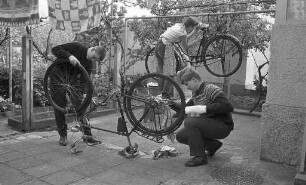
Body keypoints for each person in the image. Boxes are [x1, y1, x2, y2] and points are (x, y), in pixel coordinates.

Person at [175, 66, 234, 167]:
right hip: (210, 124)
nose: (187, 88)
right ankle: (213, 146)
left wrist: (203, 108)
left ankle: (200, 157)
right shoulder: (196, 93)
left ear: (194, 79)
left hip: (223, 126)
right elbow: (184, 108)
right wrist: (169, 103)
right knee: (181, 136)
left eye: (187, 84)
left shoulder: (210, 89)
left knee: (190, 122)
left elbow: (228, 106)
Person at [51, 42, 106, 146]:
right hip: (58, 76)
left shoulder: (88, 63)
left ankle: (88, 135)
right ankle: (63, 136)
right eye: (94, 57)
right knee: (59, 105)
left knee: (81, 106)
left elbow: (85, 79)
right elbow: (55, 49)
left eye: (95, 59)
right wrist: (70, 56)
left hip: (71, 80)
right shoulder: (77, 47)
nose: (93, 59)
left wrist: (84, 93)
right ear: (93, 49)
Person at [155, 17, 201, 98]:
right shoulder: (182, 32)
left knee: (163, 73)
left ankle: (160, 93)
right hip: (166, 47)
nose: (192, 29)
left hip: (159, 45)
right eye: (192, 27)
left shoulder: (179, 26)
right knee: (170, 73)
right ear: (189, 26)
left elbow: (185, 37)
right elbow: (186, 46)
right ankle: (165, 95)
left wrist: (194, 31)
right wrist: (197, 40)